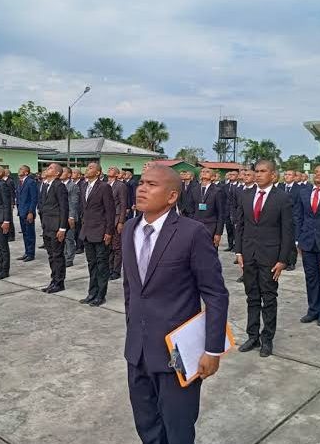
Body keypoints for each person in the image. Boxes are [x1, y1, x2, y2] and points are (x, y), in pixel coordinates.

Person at [123, 165, 229, 444]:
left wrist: (212, 349)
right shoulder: (130, 228)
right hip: (137, 351)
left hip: (177, 353)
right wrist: (132, 328)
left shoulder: (191, 233)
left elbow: (216, 294)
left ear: (172, 197)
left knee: (178, 427)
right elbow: (131, 288)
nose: (142, 188)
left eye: (151, 185)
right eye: (141, 182)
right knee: (146, 423)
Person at [235, 160, 293, 357]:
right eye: (256, 171)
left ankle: (267, 339)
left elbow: (287, 231)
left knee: (268, 298)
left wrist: (282, 259)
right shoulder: (246, 195)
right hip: (249, 254)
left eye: (263, 171)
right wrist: (239, 252)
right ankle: (253, 336)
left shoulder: (282, 198)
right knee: (252, 296)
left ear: (273, 175)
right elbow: (240, 225)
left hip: (270, 256)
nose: (258, 175)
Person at [293, 165, 320, 326]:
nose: (318, 174)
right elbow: (298, 216)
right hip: (307, 241)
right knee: (311, 278)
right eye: (316, 172)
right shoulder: (304, 191)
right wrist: (297, 239)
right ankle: (313, 310)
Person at [79, 162, 115, 306]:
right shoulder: (83, 186)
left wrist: (109, 232)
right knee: (91, 264)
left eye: (91, 168)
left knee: (101, 265)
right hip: (87, 232)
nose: (87, 169)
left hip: (100, 232)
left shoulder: (104, 187)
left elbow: (110, 211)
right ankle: (91, 293)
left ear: (99, 173)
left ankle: (101, 295)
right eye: (87, 167)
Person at [39, 163, 69, 293]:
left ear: (57, 173)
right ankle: (53, 280)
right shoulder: (46, 185)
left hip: (56, 226)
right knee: (51, 255)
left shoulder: (59, 186)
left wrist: (62, 228)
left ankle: (59, 282)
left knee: (57, 255)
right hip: (47, 225)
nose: (47, 169)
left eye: (51, 168)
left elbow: (64, 208)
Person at [191, 167, 224, 247]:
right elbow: (191, 209)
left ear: (213, 177)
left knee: (210, 251)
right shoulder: (194, 189)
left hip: (211, 227)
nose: (204, 173)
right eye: (202, 171)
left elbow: (221, 213)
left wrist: (218, 233)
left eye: (207, 172)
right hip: (196, 225)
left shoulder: (217, 191)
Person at [107, 167, 128, 281]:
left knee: (117, 247)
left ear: (117, 174)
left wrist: (121, 221)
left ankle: (116, 270)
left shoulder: (120, 186)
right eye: (109, 168)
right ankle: (109, 268)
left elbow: (124, 204)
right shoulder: (105, 184)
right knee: (108, 246)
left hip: (116, 218)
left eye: (112, 169)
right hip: (106, 220)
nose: (109, 169)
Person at [278, 170, 301, 270]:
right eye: (285, 174)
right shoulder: (279, 187)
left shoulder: (299, 189)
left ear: (294, 177)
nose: (287, 176)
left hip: (293, 219)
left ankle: (291, 262)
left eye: (289, 175)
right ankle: (283, 260)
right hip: (280, 218)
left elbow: (298, 205)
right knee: (281, 241)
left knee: (291, 242)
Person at [15, 165, 38, 262]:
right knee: (24, 233)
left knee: (30, 233)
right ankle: (26, 252)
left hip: (28, 212)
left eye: (21, 169)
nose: (19, 170)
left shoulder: (31, 182)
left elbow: (34, 198)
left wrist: (31, 212)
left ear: (26, 172)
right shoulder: (20, 182)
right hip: (21, 211)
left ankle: (31, 253)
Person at [71, 168, 86, 254]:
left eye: (74, 173)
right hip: (73, 210)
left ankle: (80, 246)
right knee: (74, 229)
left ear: (79, 175)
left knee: (79, 229)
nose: (72, 174)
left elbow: (82, 199)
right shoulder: (72, 184)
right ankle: (76, 245)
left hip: (79, 210)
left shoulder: (82, 184)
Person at [3, 169, 17, 242]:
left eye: (4, 171)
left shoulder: (10, 181)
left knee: (9, 219)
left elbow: (12, 193)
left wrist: (12, 203)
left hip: (9, 202)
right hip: (4, 203)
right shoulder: (2, 180)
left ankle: (11, 235)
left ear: (8, 174)